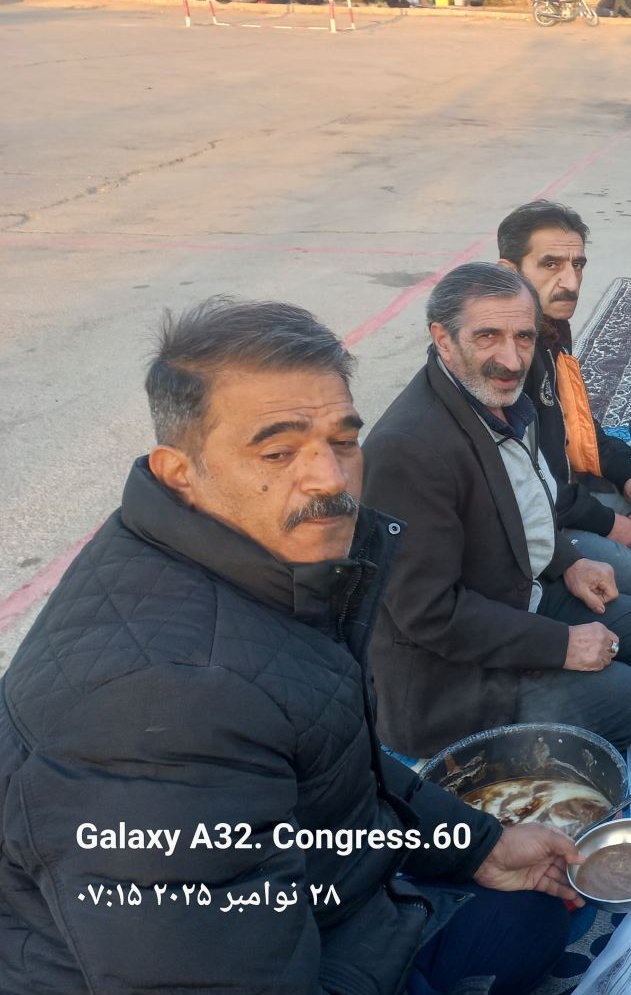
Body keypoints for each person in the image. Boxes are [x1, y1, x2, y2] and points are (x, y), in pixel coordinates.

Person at [0, 297, 582, 992]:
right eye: (277, 452)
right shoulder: (164, 711)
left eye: (343, 441)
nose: (330, 479)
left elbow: (331, 759)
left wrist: (480, 846)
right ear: (179, 473)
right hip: (282, 952)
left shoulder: (234, 557)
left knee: (537, 907)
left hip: (317, 900)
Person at [364, 264, 631, 755]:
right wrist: (559, 646)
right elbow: (428, 614)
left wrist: (568, 562)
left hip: (515, 598)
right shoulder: (407, 450)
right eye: (487, 336)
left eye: (523, 337)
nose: (511, 360)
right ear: (443, 340)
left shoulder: (501, 397)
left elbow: (525, 502)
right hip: (452, 676)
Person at [498, 202, 631, 600]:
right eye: (551, 264)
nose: (570, 282)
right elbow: (526, 485)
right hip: (529, 518)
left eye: (577, 265)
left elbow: (578, 422)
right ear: (509, 271)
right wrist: (606, 523)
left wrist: (628, 476)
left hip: (568, 490)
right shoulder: (504, 359)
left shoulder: (552, 327)